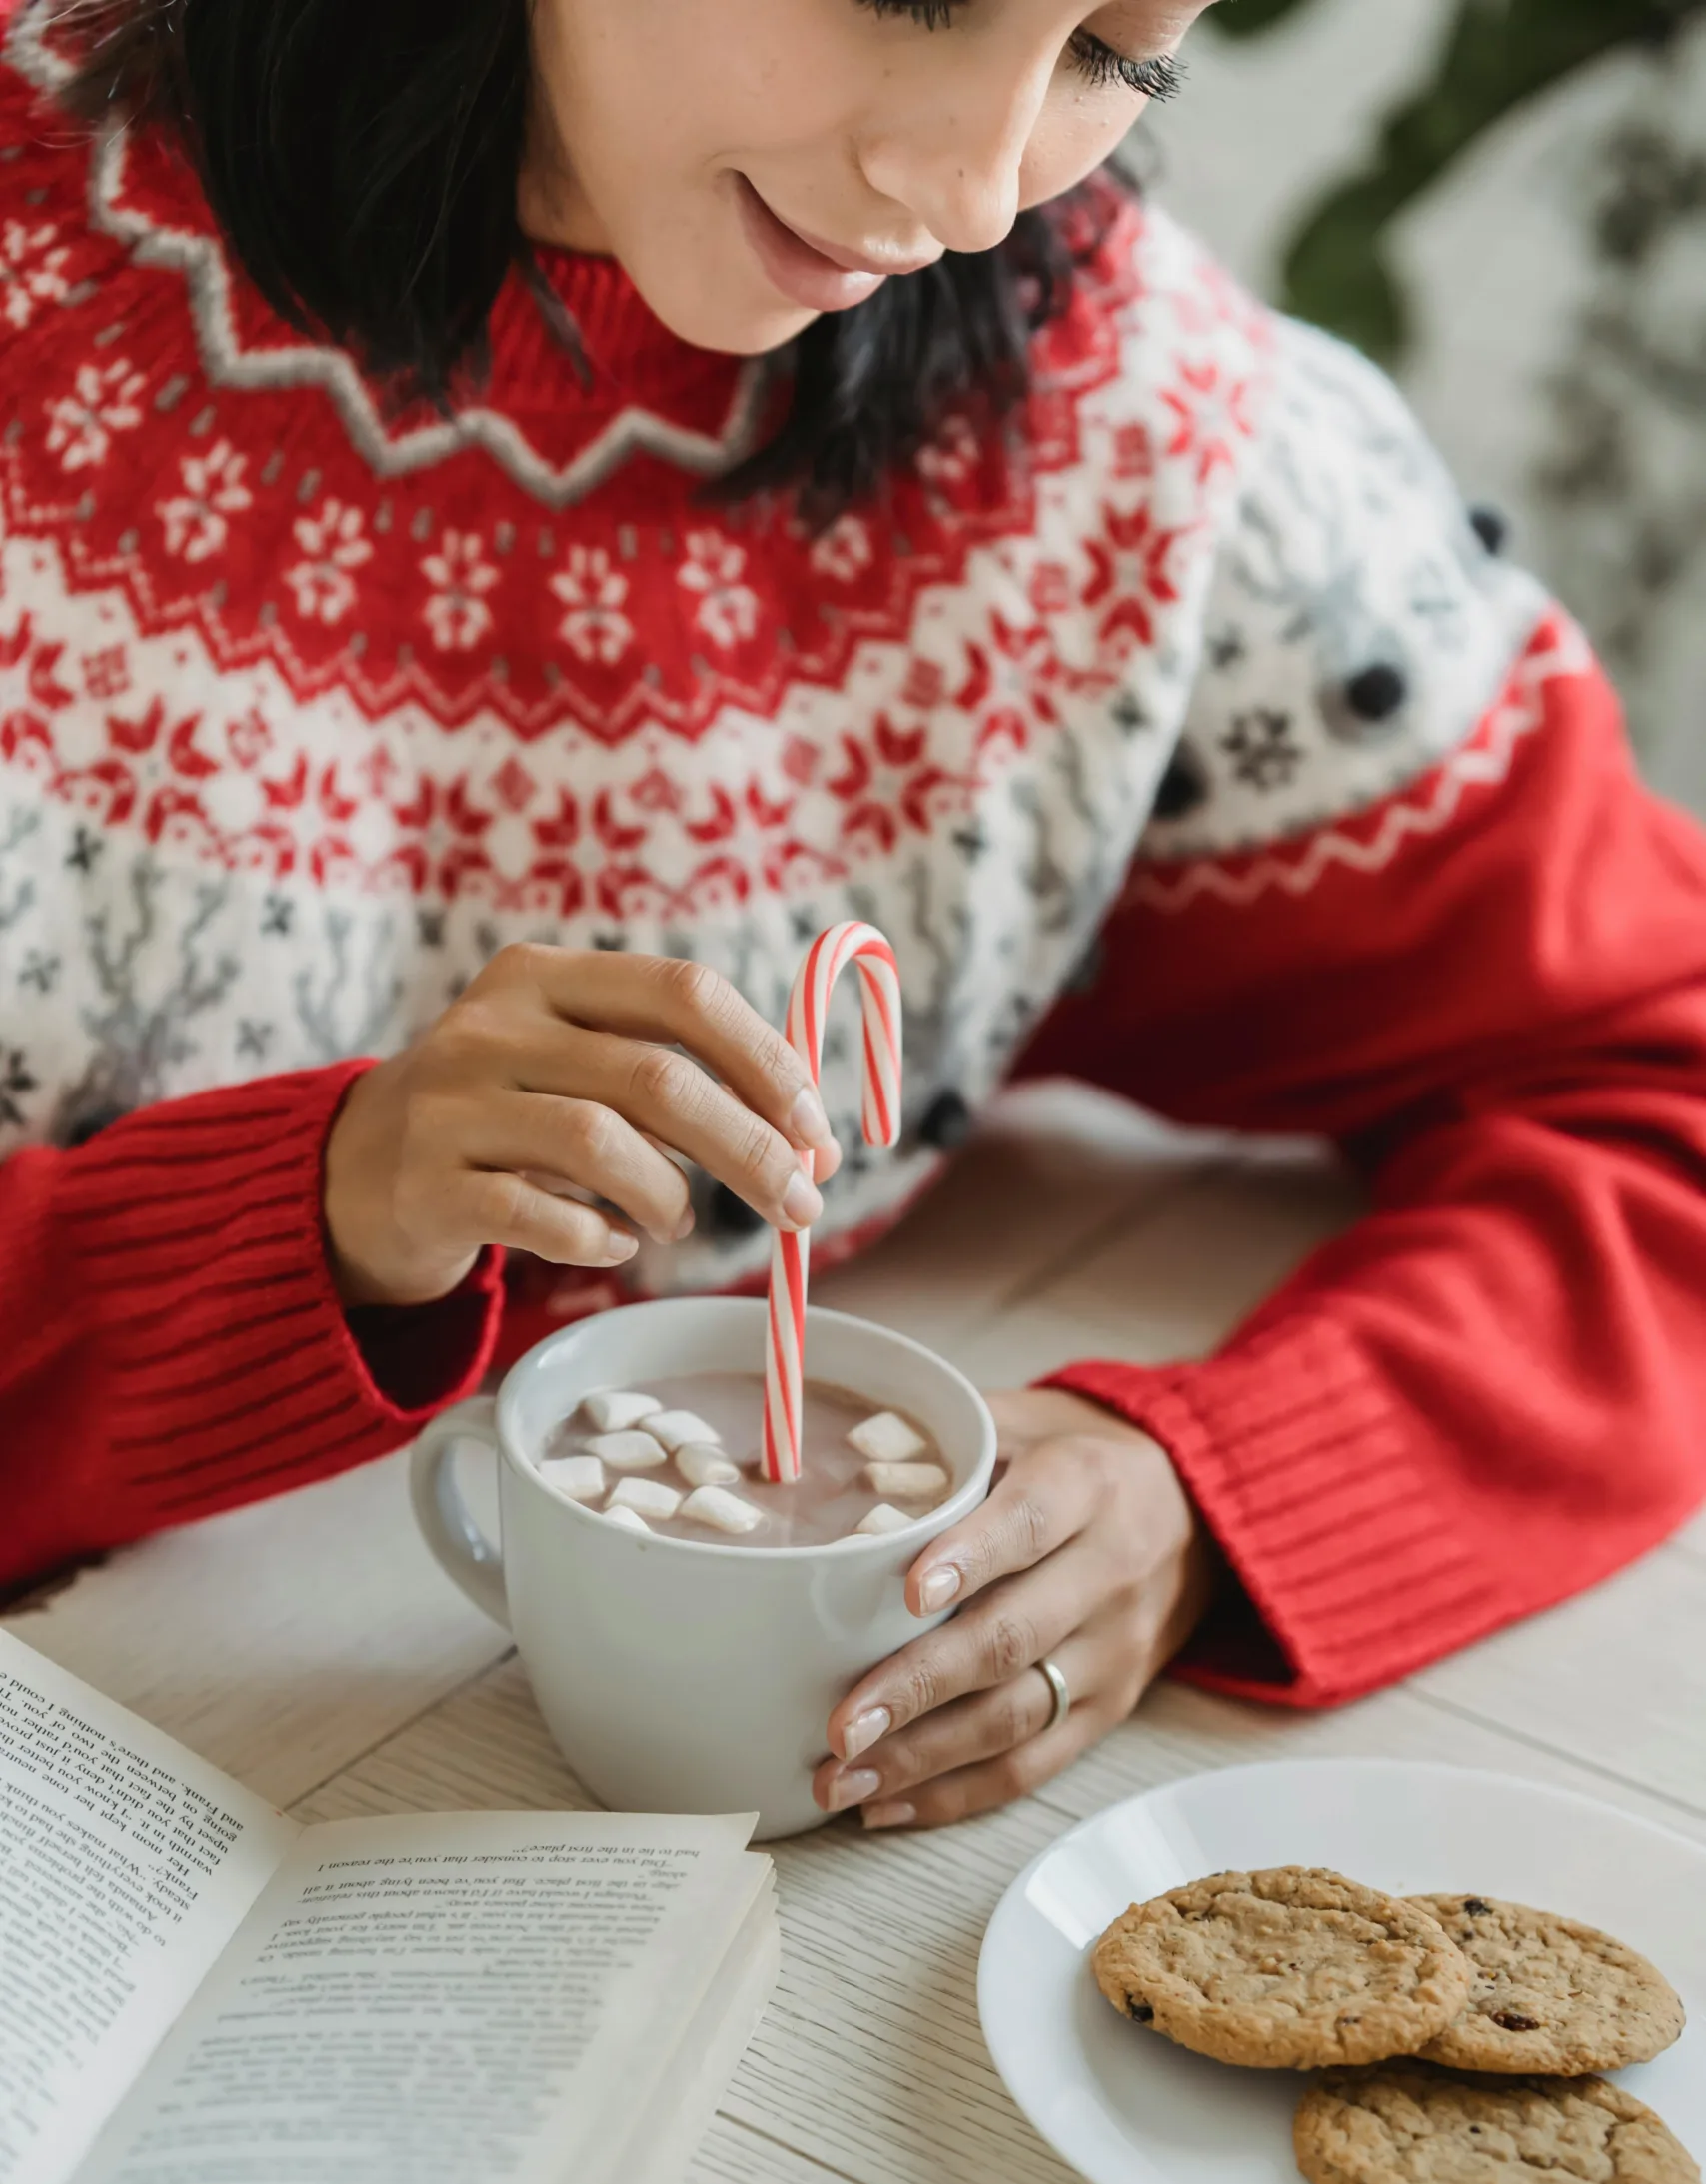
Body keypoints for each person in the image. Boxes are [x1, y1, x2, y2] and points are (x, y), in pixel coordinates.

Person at [2, 0, 1703, 1831]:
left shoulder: (1126, 456)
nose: (970, 190)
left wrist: (1206, 1493)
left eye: (1113, 58)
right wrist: (300, 1224)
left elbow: (1658, 1080)